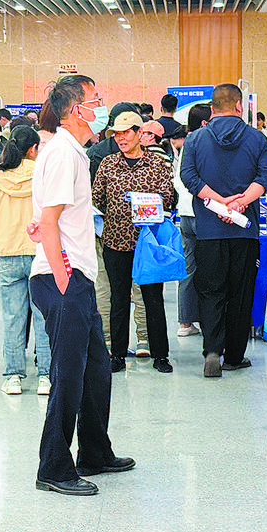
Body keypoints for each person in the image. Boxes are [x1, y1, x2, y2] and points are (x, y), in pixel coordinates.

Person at [30, 74, 133, 496]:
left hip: (77, 278)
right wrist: (63, 277)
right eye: (96, 99)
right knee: (68, 375)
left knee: (96, 371)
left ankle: (95, 451)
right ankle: (54, 467)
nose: (101, 105)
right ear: (77, 110)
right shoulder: (62, 153)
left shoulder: (73, 151)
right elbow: (48, 220)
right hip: (64, 280)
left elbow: (45, 219)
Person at [180, 83, 267, 378]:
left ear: (212, 109)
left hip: (208, 230)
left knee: (211, 291)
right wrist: (240, 203)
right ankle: (234, 355)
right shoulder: (257, 138)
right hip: (245, 231)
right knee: (241, 293)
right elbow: (266, 176)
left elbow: (188, 176)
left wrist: (220, 203)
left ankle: (212, 351)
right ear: (239, 106)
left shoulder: (195, 139)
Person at [92, 111, 177, 374]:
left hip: (147, 243)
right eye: (116, 134)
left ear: (139, 133)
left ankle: (160, 354)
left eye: (125, 133)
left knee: (152, 298)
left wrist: (146, 202)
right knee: (118, 299)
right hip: (115, 242)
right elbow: (96, 198)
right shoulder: (108, 164)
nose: (120, 138)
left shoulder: (156, 163)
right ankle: (117, 354)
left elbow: (169, 197)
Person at [0, 125, 52, 396]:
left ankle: (14, 376)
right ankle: (46, 376)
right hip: (40, 252)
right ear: (33, 149)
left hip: (6, 253)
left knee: (12, 316)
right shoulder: (42, 175)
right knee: (43, 316)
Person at [174, 103, 211, 337]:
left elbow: (179, 181)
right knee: (210, 267)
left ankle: (185, 322)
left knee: (189, 268)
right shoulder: (204, 143)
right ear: (205, 123)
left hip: (186, 213)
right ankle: (210, 321)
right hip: (204, 213)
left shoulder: (187, 145)